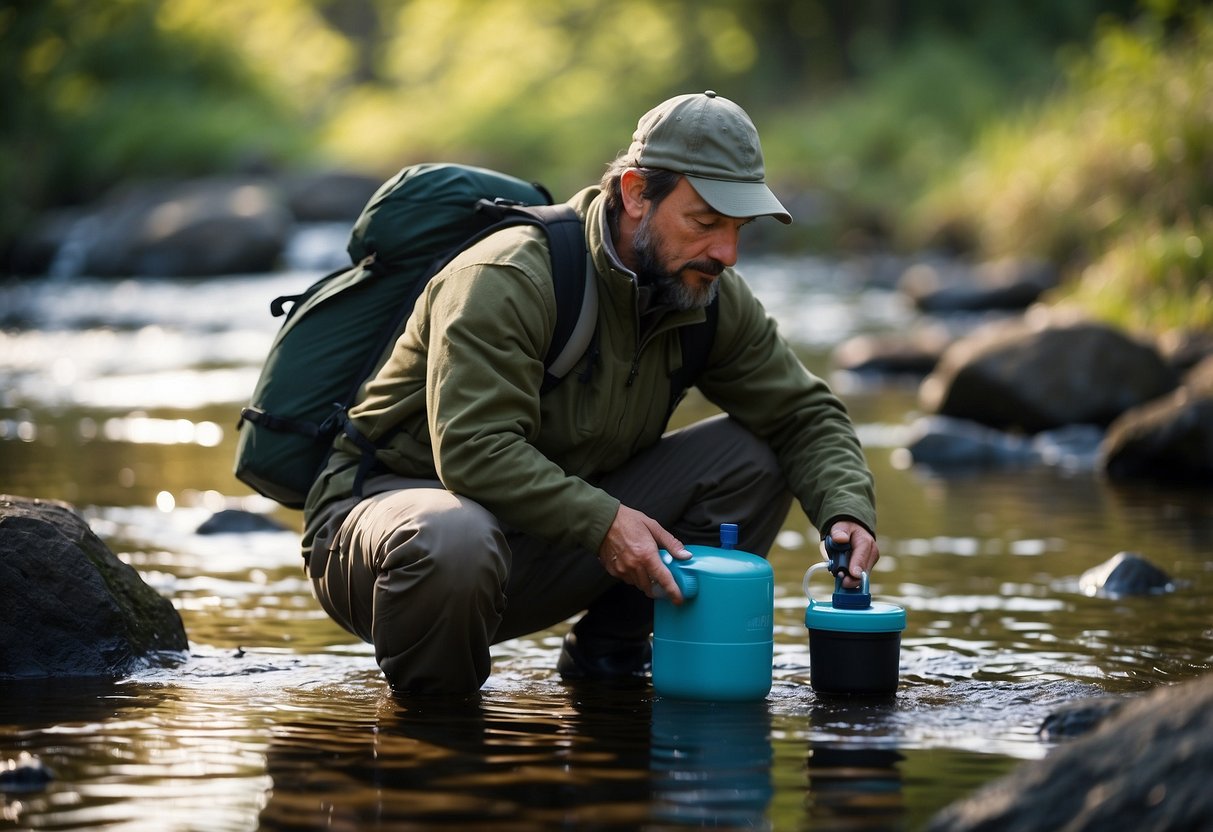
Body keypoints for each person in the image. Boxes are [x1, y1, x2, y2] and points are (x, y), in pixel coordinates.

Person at [301, 90, 879, 694]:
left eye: (739, 229)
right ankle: (440, 739)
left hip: (542, 541)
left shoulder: (707, 292)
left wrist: (846, 511)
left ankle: (610, 662)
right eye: (705, 223)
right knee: (456, 538)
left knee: (753, 457)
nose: (726, 254)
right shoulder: (508, 278)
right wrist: (605, 523)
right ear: (635, 194)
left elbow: (803, 415)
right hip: (391, 542)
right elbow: (473, 449)